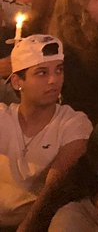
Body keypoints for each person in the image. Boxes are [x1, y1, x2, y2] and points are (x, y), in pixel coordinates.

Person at [0, 35, 92, 229]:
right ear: (17, 81)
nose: (54, 80)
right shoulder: (3, 117)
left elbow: (54, 191)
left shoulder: (74, 123)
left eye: (59, 70)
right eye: (42, 73)